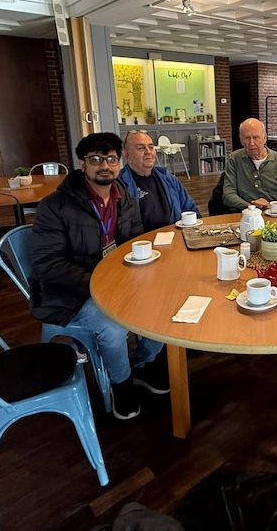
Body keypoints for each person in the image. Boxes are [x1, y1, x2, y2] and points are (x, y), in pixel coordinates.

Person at [29, 132, 169, 421]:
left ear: (119, 163)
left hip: (117, 281)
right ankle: (122, 385)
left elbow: (134, 243)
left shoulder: (124, 198)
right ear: (82, 164)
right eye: (95, 159)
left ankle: (142, 364)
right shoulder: (54, 206)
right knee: (112, 327)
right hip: (69, 294)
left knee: (165, 302)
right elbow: (47, 265)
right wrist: (101, 284)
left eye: (110, 159)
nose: (104, 165)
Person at [118, 130, 200, 230]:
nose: (148, 152)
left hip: (175, 238)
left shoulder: (169, 180)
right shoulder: (120, 185)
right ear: (127, 155)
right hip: (141, 242)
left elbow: (191, 211)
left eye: (151, 147)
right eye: (141, 148)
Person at [223, 118, 277, 212]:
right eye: (247, 138)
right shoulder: (234, 159)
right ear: (241, 140)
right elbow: (228, 195)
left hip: (275, 213)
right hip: (245, 213)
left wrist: (275, 206)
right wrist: (251, 207)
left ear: (264, 138)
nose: (251, 143)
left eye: (256, 137)